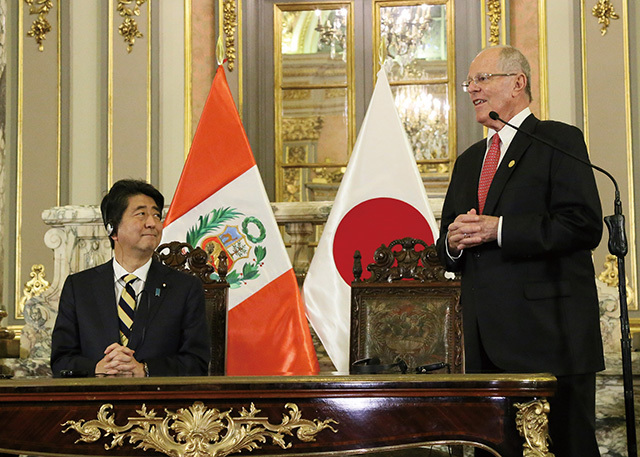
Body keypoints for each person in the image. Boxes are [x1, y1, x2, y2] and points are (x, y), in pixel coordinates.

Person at [436, 45, 604, 456]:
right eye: (469, 83)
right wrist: (453, 244)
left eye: (482, 79)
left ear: (517, 83)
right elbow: (445, 244)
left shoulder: (558, 141)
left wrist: (501, 229)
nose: (472, 89)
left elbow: (582, 224)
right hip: (484, 344)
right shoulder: (469, 161)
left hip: (550, 340)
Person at [51, 179, 210, 377]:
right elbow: (60, 360)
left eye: (156, 215)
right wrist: (97, 368)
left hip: (157, 396)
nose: (152, 223)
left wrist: (144, 370)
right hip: (95, 394)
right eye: (141, 214)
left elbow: (197, 362)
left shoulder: (185, 288)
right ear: (112, 229)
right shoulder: (79, 287)